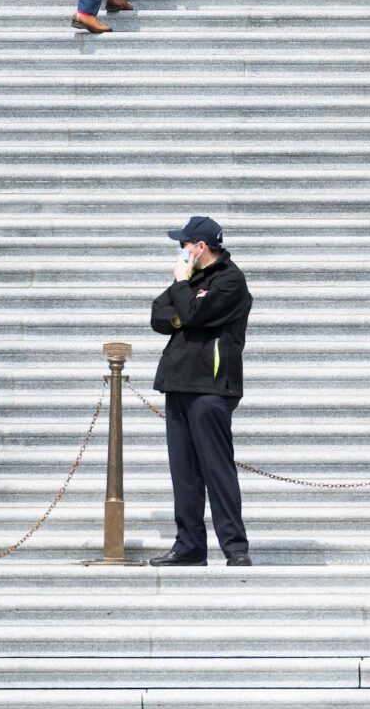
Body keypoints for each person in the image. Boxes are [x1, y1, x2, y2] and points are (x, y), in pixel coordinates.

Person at [148, 217, 253, 567]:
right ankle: (190, 545)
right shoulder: (195, 279)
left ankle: (235, 546)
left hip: (211, 386)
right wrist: (183, 311)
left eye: (184, 244)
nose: (181, 250)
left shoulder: (230, 280)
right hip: (178, 381)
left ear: (201, 246)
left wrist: (182, 288)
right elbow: (159, 315)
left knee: (216, 469)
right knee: (185, 471)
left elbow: (193, 311)